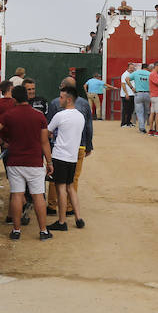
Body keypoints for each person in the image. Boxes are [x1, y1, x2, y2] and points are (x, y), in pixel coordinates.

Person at [0, 85, 52, 241]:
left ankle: (16, 230)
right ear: (27, 96)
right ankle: (43, 231)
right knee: (38, 196)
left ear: (14, 98)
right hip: (34, 161)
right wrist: (50, 162)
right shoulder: (39, 116)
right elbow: (44, 142)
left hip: (15, 161)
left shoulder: (9, 115)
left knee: (17, 195)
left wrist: (2, 142)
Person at [45, 85, 86, 232]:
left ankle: (62, 221)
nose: (59, 99)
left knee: (61, 188)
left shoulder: (60, 115)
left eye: (62, 97)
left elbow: (48, 132)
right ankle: (78, 217)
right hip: (72, 157)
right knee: (70, 187)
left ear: (68, 100)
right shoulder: (80, 116)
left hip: (60, 155)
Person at [130, 63, 152, 133]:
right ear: (147, 67)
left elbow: (127, 79)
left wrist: (132, 88)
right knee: (146, 111)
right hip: (147, 94)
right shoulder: (149, 74)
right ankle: (143, 126)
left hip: (138, 93)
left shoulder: (136, 73)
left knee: (139, 112)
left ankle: (141, 127)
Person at [118, 63, 137, 127]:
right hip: (126, 94)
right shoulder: (124, 74)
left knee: (131, 109)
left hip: (132, 94)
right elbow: (123, 84)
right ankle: (123, 123)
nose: (132, 69)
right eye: (130, 68)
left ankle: (128, 122)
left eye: (133, 68)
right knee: (125, 109)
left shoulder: (133, 74)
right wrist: (126, 94)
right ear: (127, 68)